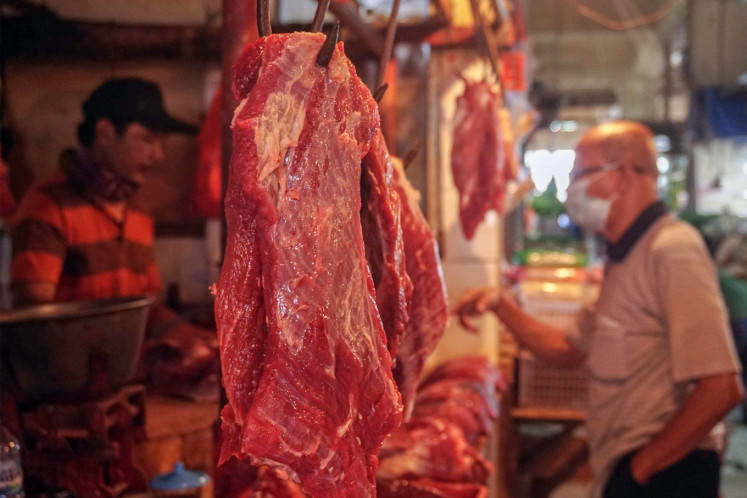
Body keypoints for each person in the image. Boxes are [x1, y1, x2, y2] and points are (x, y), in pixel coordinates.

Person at [454, 120, 744, 498]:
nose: (572, 188)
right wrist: (500, 306)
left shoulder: (672, 250)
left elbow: (722, 388)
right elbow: (569, 348)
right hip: (631, 464)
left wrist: (640, 471)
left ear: (622, 176)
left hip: (668, 473)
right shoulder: (624, 256)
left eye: (580, 174)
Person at [8, 77, 219, 401]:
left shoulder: (136, 213)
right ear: (105, 132)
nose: (158, 155)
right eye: (147, 139)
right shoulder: (47, 207)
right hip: (65, 401)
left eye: (160, 143)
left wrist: (198, 339)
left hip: (124, 393)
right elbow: (36, 326)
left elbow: (148, 306)